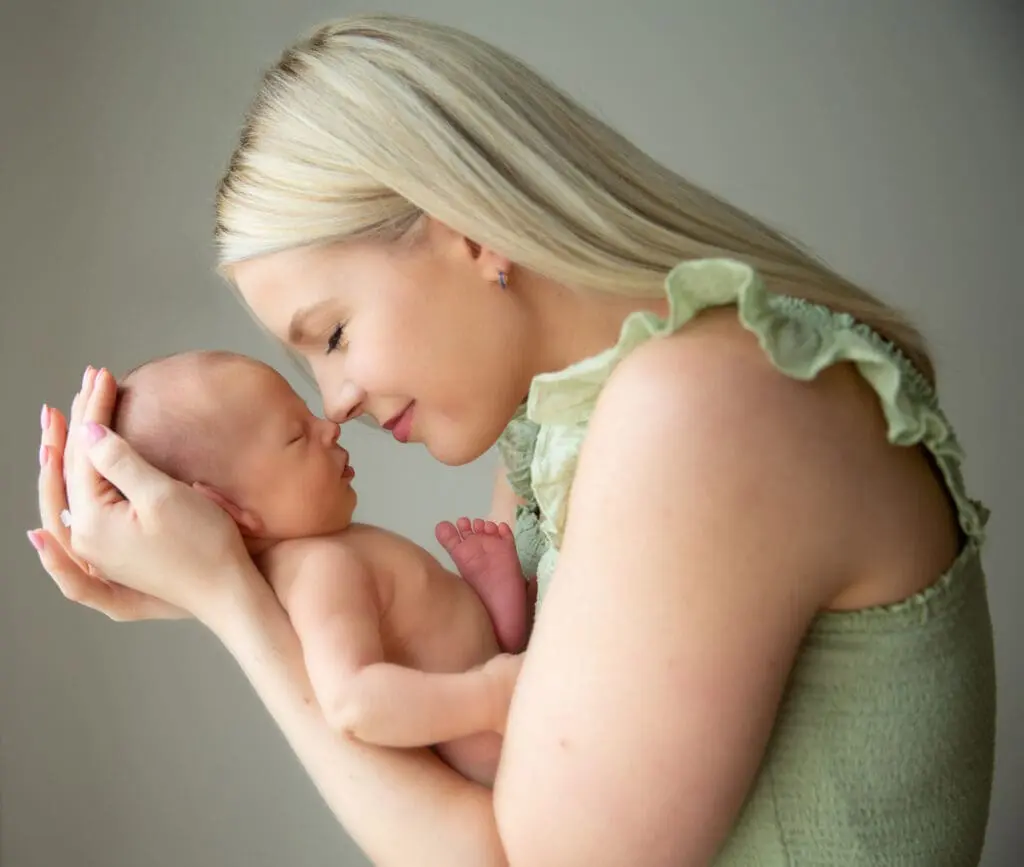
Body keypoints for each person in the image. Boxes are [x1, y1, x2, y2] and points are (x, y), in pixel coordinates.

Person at [31, 13, 996, 867]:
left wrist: (239, 607)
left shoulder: (698, 410)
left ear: (470, 232)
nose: (336, 401)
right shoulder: (554, 432)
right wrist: (224, 574)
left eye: (332, 334)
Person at [104, 349, 532, 786]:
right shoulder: (319, 573)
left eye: (310, 417)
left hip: (509, 702)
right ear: (227, 508)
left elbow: (430, 647)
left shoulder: (321, 553)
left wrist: (488, 607)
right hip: (514, 749)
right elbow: (354, 702)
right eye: (296, 436)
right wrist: (490, 696)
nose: (329, 428)